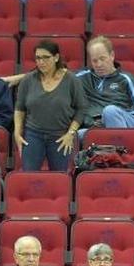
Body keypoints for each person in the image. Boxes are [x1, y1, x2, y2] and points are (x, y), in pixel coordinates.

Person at [14, 39, 85, 172]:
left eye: (45, 58)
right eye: (38, 58)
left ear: (56, 57)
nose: (41, 62)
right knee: (29, 176)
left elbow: (81, 109)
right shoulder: (28, 80)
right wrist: (17, 133)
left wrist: (70, 133)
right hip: (33, 135)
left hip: (61, 136)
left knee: (60, 178)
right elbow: (19, 108)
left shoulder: (71, 80)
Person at [76, 36, 134, 133]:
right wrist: (88, 120)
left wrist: (110, 117)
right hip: (95, 125)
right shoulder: (81, 78)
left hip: (129, 124)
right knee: (78, 135)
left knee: (110, 111)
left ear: (112, 55)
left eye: (102, 59)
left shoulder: (127, 79)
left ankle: (118, 145)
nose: (99, 64)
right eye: (94, 61)